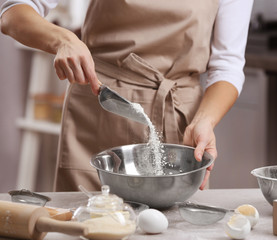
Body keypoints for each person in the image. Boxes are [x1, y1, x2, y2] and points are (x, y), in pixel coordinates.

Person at [1, 0, 254, 191]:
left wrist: (204, 121)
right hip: (99, 113)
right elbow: (13, 12)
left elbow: (227, 65)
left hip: (180, 123)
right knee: (86, 227)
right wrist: (63, 39)